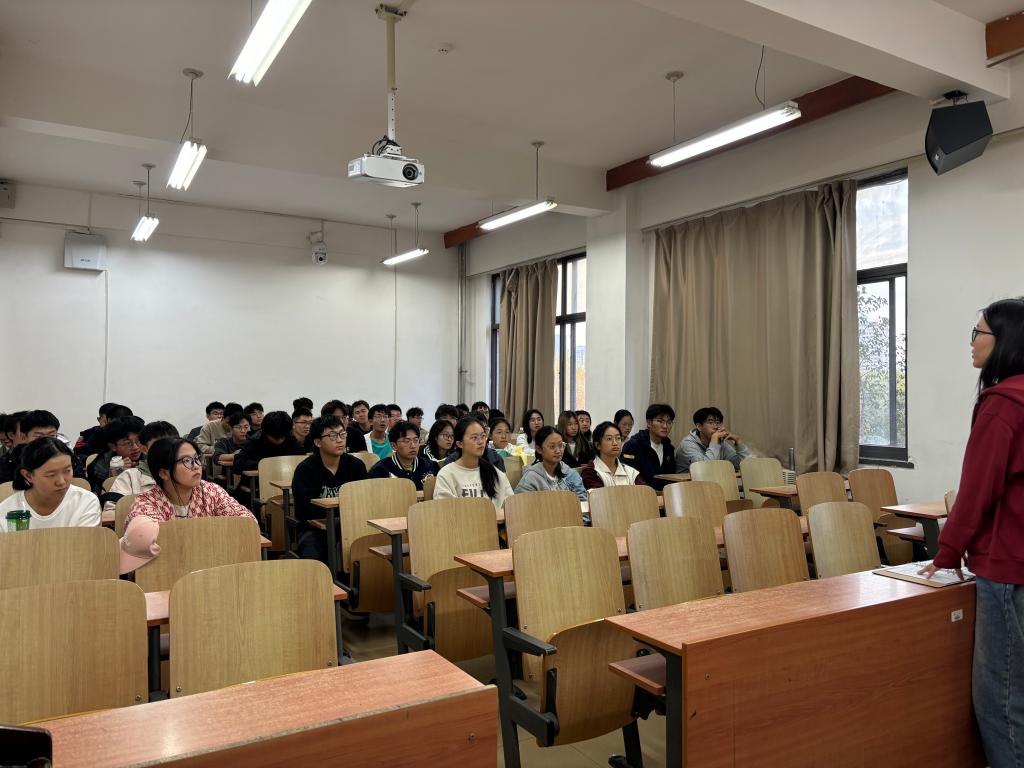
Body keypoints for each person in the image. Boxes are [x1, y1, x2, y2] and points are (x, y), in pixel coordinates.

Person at [918, 298, 1024, 767]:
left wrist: (946, 553)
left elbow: (978, 488)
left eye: (978, 332)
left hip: (1008, 567)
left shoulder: (1003, 404)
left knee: (1001, 703)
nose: (972, 342)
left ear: (1006, 342)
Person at [126, 437, 255, 524]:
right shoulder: (147, 503)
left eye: (197, 458)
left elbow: (247, 521)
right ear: (164, 473)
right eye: (186, 461)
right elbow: (145, 538)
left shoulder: (211, 491)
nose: (197, 466)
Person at [292, 416, 367, 562]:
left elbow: (364, 500)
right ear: (318, 442)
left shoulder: (356, 465)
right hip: (314, 528)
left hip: (351, 523)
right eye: (332, 436)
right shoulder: (305, 470)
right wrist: (342, 511)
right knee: (313, 555)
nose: (340, 440)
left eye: (342, 434)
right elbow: (304, 510)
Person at [0, 438, 100, 531]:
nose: (61, 481)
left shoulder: (85, 502)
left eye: (67, 470)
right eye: (51, 475)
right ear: (28, 475)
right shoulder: (7, 510)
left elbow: (84, 543)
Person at [434, 416, 513, 509]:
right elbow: (446, 511)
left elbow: (511, 506)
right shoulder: (447, 474)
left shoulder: (494, 472)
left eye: (483, 436)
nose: (481, 442)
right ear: (460, 444)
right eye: (474, 437)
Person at [103, 421, 179, 514]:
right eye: (160, 446)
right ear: (144, 449)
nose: (168, 450)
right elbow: (111, 513)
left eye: (174, 445)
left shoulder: (188, 473)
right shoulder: (129, 477)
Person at [514, 426, 587, 501]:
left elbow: (582, 501)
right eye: (552, 446)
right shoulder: (531, 477)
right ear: (539, 449)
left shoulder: (570, 473)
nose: (558, 451)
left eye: (560, 445)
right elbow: (521, 505)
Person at [675, 406, 752, 473]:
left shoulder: (720, 442)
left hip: (711, 482)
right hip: (688, 484)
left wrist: (738, 442)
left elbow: (741, 465)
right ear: (699, 426)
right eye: (711, 422)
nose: (716, 426)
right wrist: (714, 441)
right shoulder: (687, 444)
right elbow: (705, 470)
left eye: (718, 422)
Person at [368, 420, 439, 489]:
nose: (413, 446)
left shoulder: (431, 466)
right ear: (393, 446)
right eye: (406, 441)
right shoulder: (380, 470)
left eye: (416, 440)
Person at [621, 404, 677, 491]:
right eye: (660, 421)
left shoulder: (669, 448)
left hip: (664, 495)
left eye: (669, 422)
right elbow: (631, 477)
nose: (665, 426)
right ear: (649, 423)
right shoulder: (633, 446)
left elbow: (672, 477)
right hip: (641, 494)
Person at [232, 410, 305, 473]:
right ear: (265, 432)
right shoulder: (254, 440)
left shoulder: (291, 440)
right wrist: (267, 465)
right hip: (256, 482)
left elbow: (301, 462)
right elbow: (237, 465)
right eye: (275, 437)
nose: (279, 440)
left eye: (282, 437)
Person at [88, 416, 145, 494]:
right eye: (128, 443)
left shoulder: (150, 456)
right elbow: (101, 497)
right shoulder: (100, 466)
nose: (136, 447)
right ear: (113, 447)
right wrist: (115, 475)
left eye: (138, 441)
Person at [579, 421, 644, 490]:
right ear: (598, 445)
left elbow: (645, 493)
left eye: (618, 438)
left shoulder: (631, 472)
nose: (615, 443)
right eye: (609, 439)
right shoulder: (591, 472)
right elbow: (598, 496)